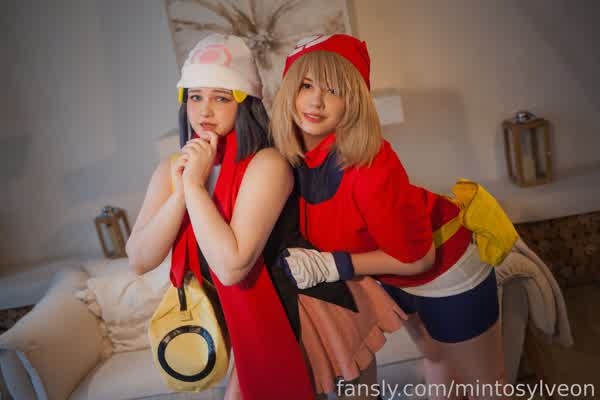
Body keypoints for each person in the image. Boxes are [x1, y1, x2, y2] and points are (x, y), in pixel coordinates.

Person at [127, 33, 403, 400]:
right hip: (241, 317)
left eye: (220, 97)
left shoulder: (267, 164)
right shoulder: (174, 168)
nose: (204, 111)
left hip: (302, 307)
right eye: (195, 96)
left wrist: (193, 187)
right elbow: (139, 259)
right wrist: (181, 191)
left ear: (244, 103)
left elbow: (232, 266)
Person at [271, 34, 507, 400]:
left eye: (333, 90)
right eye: (306, 85)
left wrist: (332, 266)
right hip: (389, 277)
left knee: (484, 387)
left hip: (446, 268)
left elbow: (419, 258)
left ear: (354, 101)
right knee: (437, 365)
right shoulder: (285, 161)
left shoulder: (371, 165)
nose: (316, 101)